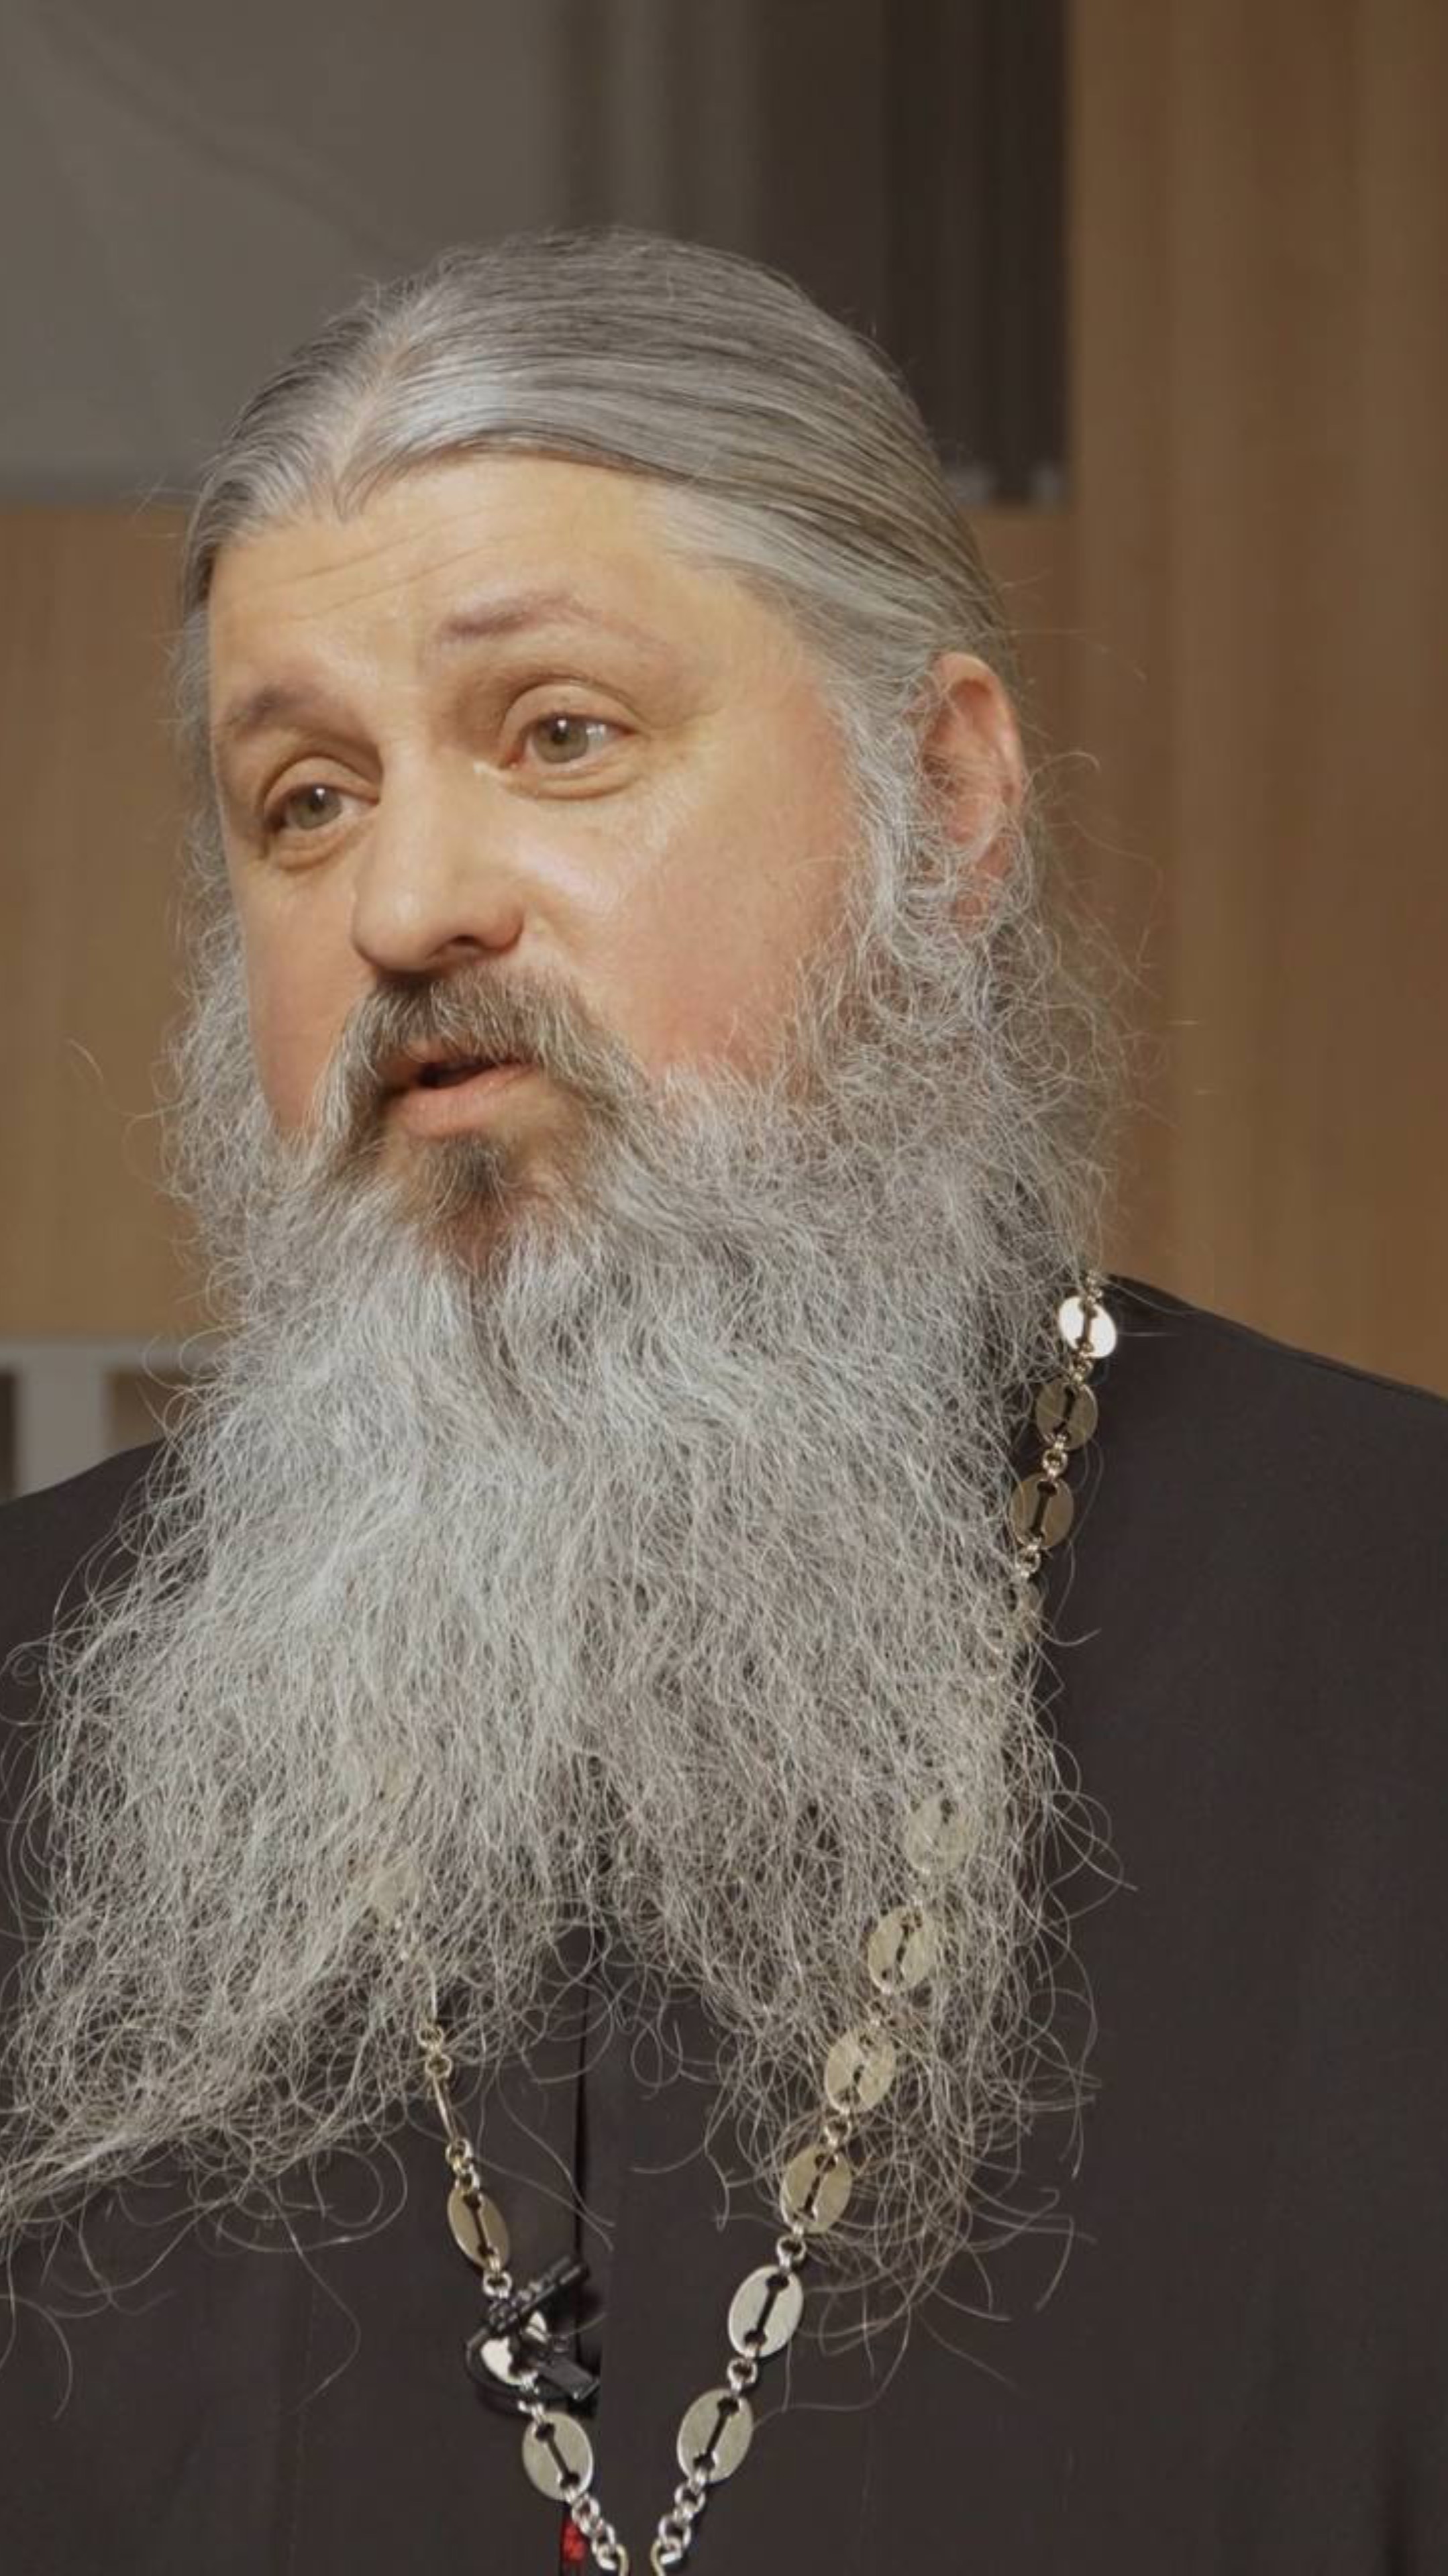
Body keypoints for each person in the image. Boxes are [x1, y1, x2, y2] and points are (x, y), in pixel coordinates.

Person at [1, 229, 1444, 2576]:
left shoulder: (1404, 1629)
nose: (404, 905)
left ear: (943, 805)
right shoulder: (30, 1681)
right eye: (305, 798)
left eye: (559, 733)